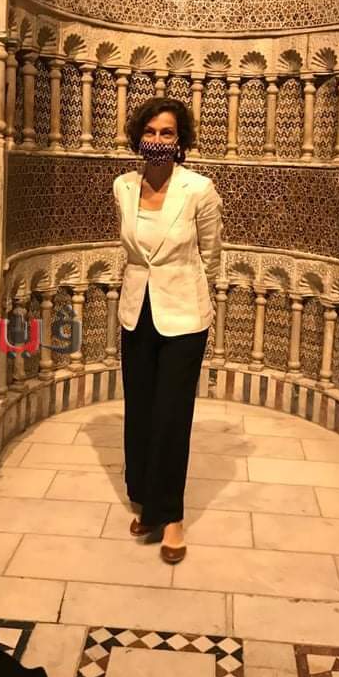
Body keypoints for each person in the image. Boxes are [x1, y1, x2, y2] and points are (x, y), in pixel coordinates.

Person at [112, 97, 224, 564]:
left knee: (171, 416)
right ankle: (146, 500)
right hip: (136, 310)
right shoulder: (123, 186)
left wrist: (193, 290)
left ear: (180, 141)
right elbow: (131, 249)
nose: (158, 140)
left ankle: (171, 515)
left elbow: (211, 254)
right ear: (138, 136)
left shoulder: (199, 189)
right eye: (151, 132)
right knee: (139, 410)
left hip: (183, 315)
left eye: (167, 133)